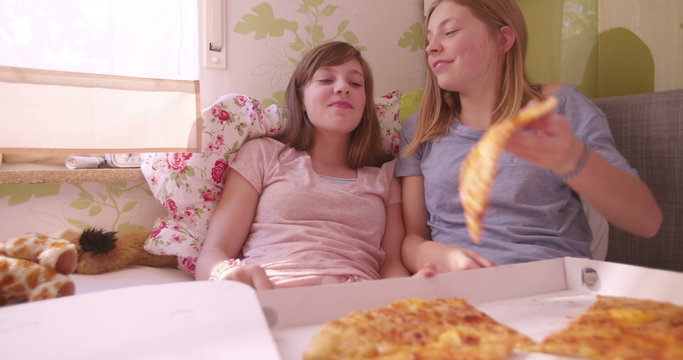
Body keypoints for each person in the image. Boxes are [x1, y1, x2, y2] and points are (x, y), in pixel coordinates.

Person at [397, 0, 663, 274]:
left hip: (551, 286)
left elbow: (646, 220)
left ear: (503, 39)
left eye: (449, 32)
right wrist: (426, 252)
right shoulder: (421, 128)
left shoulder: (560, 106)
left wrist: (574, 158)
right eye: (428, 38)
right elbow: (411, 239)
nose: (431, 47)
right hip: (458, 293)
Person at [196, 41, 433, 289]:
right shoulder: (262, 154)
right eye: (326, 80)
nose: (342, 88)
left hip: (358, 306)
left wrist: (410, 294)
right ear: (300, 98)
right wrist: (225, 276)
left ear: (365, 104)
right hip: (272, 293)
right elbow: (213, 253)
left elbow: (391, 265)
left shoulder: (386, 175)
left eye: (355, 83)